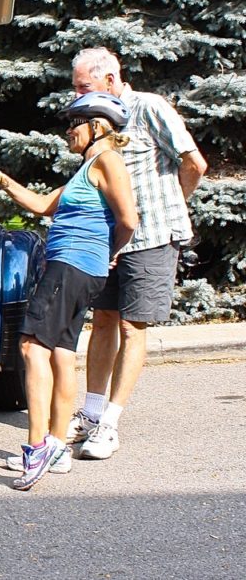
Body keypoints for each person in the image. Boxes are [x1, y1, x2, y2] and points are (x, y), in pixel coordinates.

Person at [0, 92, 139, 490]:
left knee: (32, 348)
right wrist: (1, 180)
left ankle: (39, 447)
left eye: (74, 123)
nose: (68, 131)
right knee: (62, 354)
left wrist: (106, 251)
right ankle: (58, 446)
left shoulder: (107, 162)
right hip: (78, 268)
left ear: (97, 127)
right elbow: (43, 205)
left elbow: (129, 220)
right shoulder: (87, 168)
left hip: (72, 266)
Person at [67, 48, 208, 459]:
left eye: (82, 86)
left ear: (109, 80)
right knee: (104, 320)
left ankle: (109, 424)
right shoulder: (94, 116)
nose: (75, 94)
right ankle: (90, 415)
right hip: (111, 238)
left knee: (133, 327)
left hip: (151, 238)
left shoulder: (148, 107)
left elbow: (194, 163)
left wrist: (169, 204)